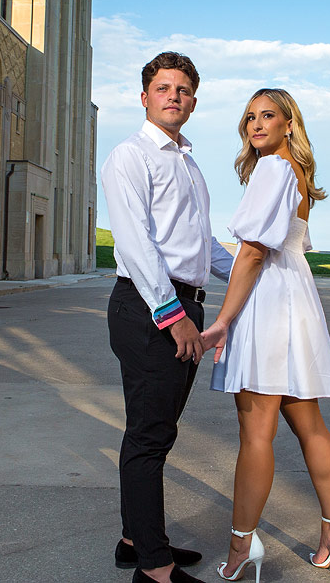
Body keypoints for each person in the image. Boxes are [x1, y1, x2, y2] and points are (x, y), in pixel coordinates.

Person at [200, 88, 330, 581]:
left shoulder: (271, 169)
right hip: (297, 301)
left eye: (267, 116)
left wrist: (222, 320)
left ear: (290, 123)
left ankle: (242, 547)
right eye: (249, 117)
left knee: (255, 432)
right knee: (310, 426)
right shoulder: (298, 173)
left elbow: (251, 254)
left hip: (268, 306)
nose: (255, 125)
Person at [102, 51, 235, 583]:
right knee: (149, 437)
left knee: (155, 431)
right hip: (149, 307)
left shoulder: (187, 161)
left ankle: (137, 540)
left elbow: (199, 244)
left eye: (182, 90)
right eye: (163, 88)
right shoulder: (130, 157)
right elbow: (136, 244)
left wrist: (252, 277)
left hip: (183, 304)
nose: (173, 96)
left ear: (194, 102)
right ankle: (154, 570)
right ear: (144, 97)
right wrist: (171, 314)